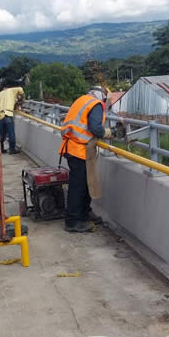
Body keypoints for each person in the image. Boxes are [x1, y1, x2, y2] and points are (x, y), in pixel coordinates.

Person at [60, 86, 111, 233]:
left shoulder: (81, 100)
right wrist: (109, 132)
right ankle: (72, 221)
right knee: (78, 187)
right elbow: (95, 128)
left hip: (74, 147)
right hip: (79, 150)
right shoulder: (95, 104)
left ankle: (84, 214)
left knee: (85, 184)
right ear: (102, 97)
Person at [0, 86, 24, 154]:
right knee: (11, 133)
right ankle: (12, 149)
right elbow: (20, 89)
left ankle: (1, 149)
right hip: (8, 114)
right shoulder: (11, 90)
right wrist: (21, 97)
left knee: (1, 134)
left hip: (0, 115)